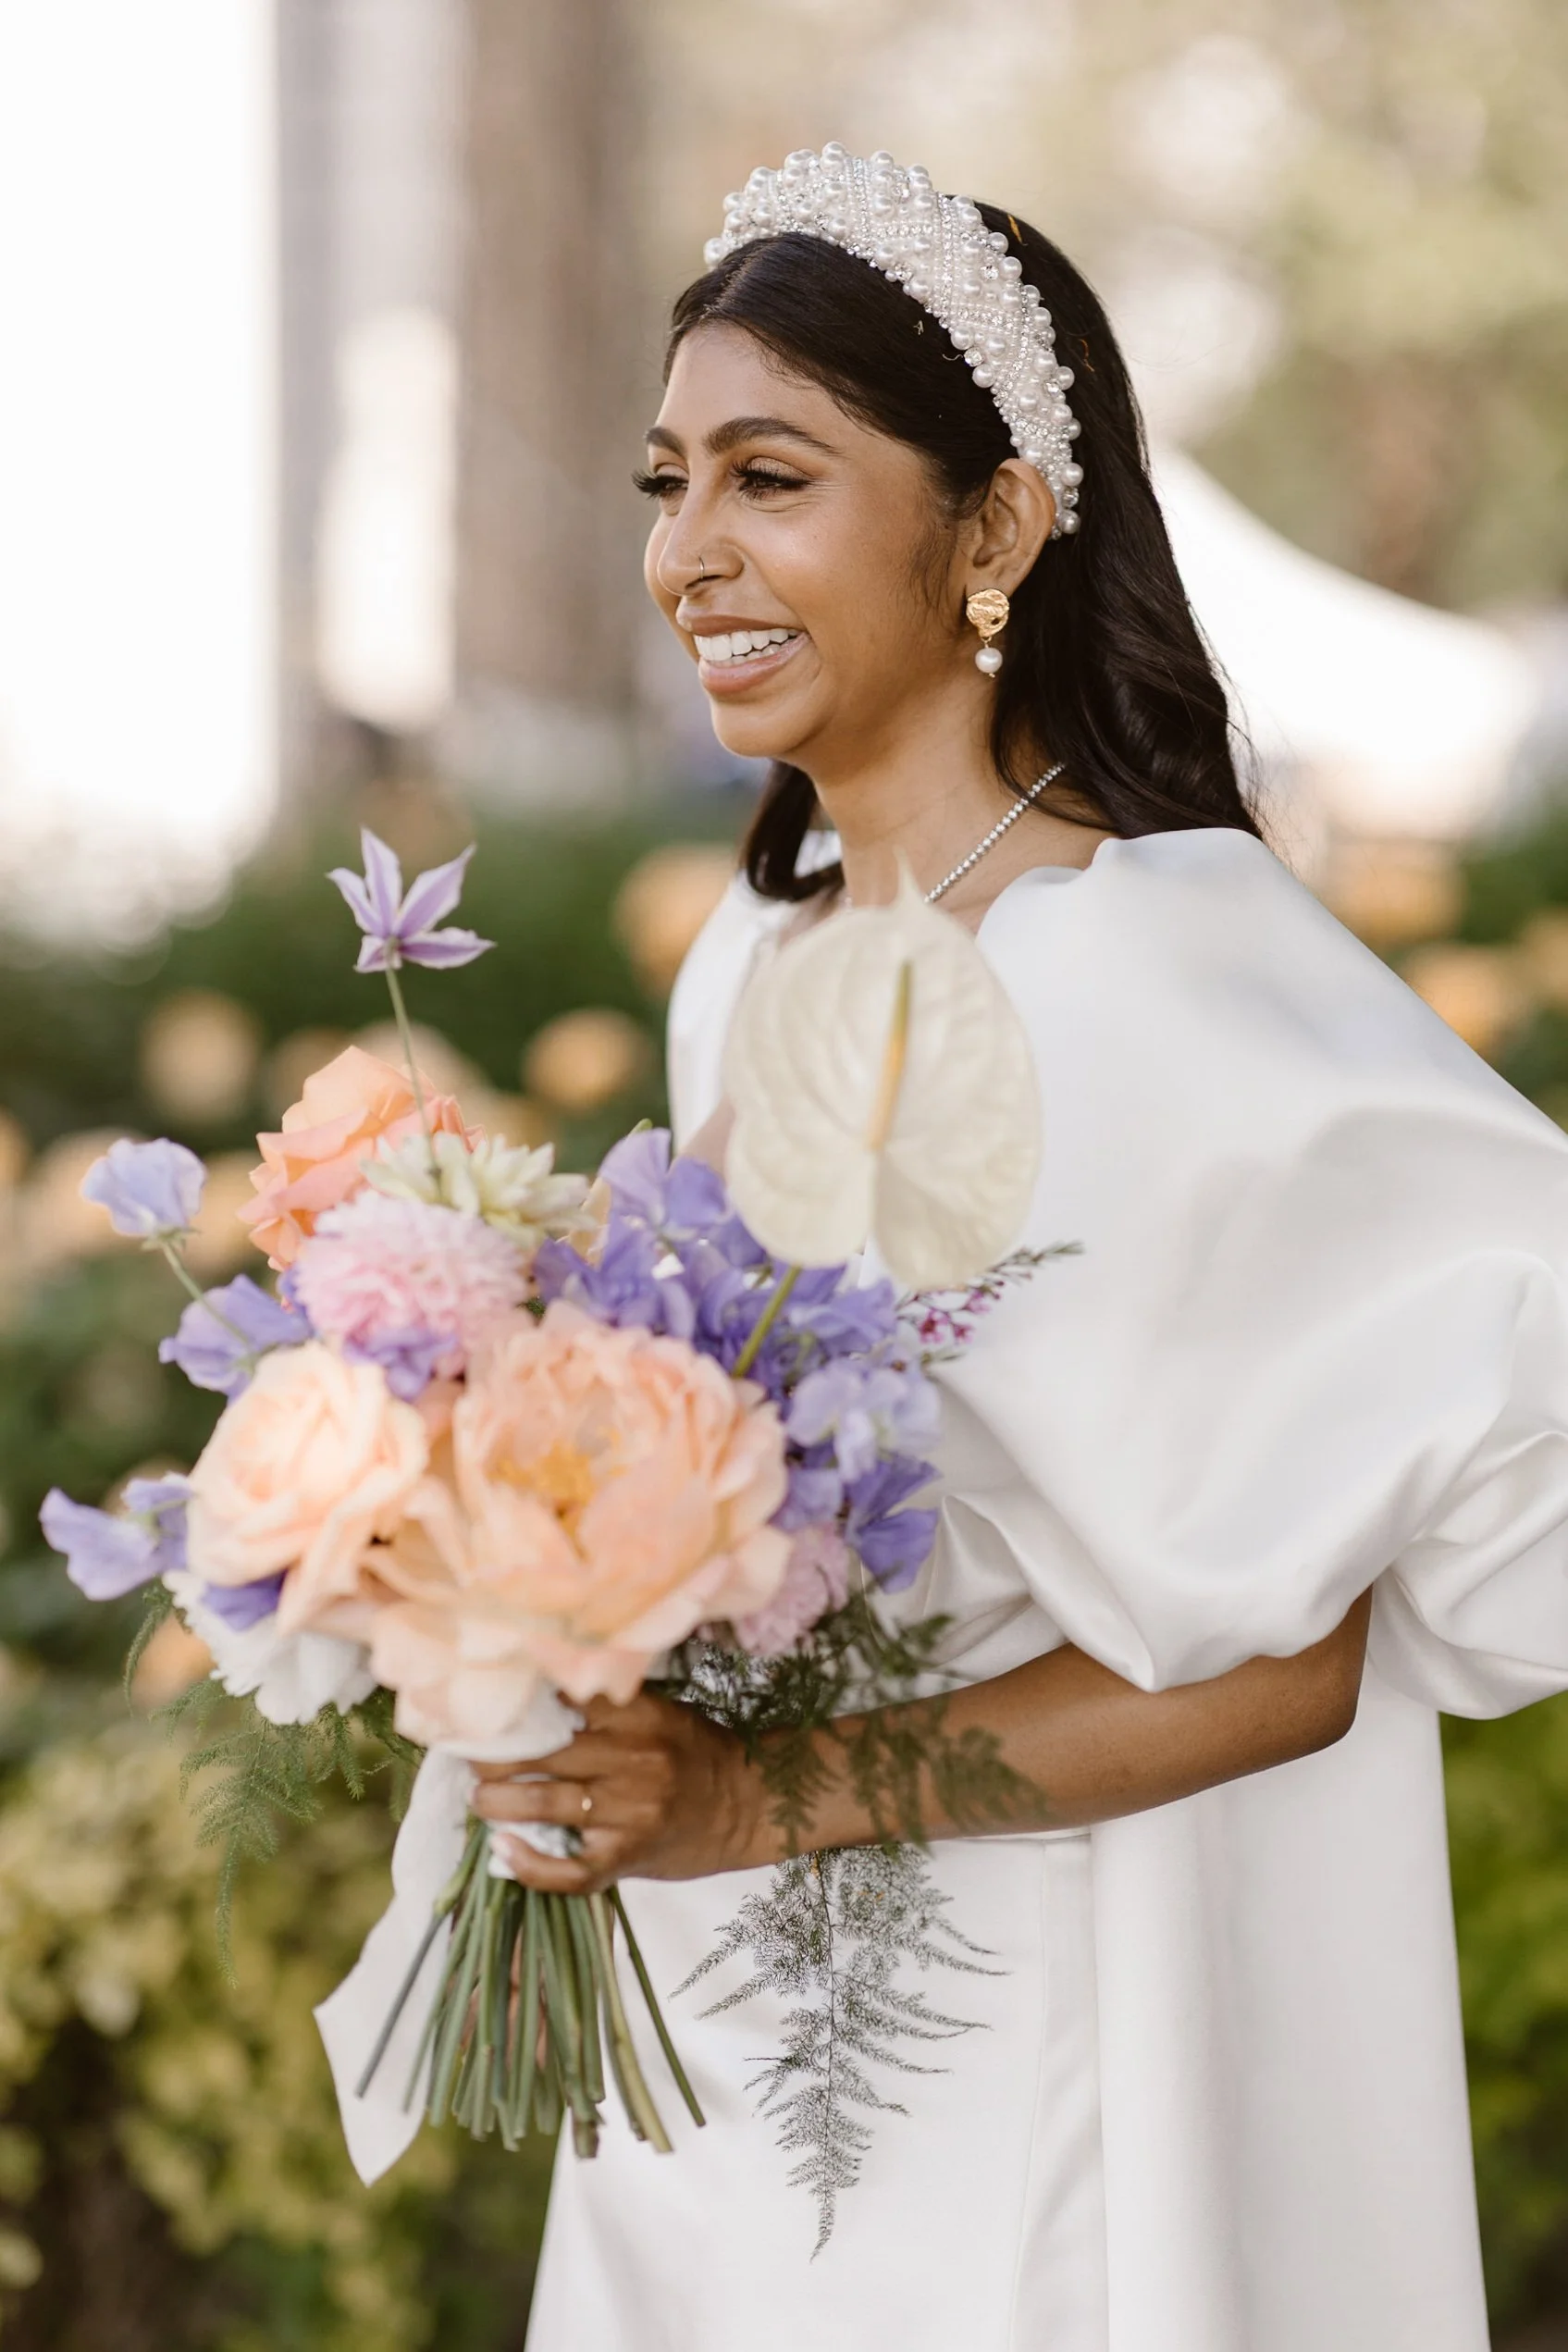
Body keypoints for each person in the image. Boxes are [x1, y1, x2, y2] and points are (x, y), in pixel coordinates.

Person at [475, 147, 1568, 2351]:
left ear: (991, 527)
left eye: (770, 476)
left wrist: (753, 1797)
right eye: (666, 480)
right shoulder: (746, 967)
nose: (691, 552)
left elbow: (1285, 1655)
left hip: (1054, 2046)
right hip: (728, 2050)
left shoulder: (1170, 972)